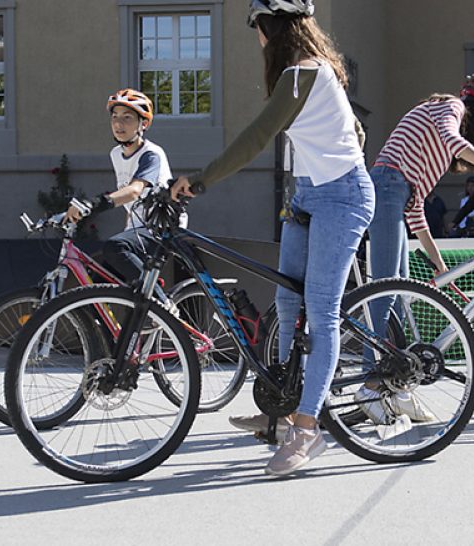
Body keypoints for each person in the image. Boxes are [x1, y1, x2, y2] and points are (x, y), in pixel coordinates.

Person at [171, 0, 375, 476]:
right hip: (307, 195)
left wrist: (200, 179)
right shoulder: (316, 74)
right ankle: (282, 411)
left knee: (321, 313)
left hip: (341, 197)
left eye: (258, 29)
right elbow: (356, 132)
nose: (258, 39)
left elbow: (259, 135)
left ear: (270, 28)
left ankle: (308, 430)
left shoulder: (303, 74)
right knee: (287, 304)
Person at [362, 74, 474, 423]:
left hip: (396, 191)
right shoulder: (450, 108)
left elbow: (417, 210)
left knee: (402, 295)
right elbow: (454, 139)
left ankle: (396, 387)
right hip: (386, 186)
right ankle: (371, 386)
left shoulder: (431, 151)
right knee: (386, 291)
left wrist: (440, 267)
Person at [64, 88, 176, 304]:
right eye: (115, 117)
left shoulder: (151, 154)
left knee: (114, 247)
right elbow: (131, 204)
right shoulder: (116, 154)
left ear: (144, 124)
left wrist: (93, 204)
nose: (118, 124)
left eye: (127, 118)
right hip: (138, 230)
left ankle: (162, 305)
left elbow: (134, 190)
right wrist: (128, 230)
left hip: (161, 229)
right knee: (93, 291)